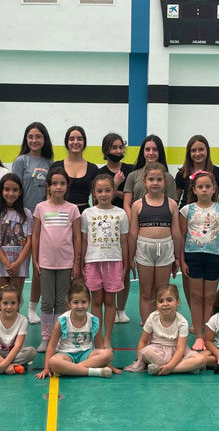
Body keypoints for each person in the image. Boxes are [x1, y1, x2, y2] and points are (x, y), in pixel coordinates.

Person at [179, 171, 219, 351]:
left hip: (213, 257)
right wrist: (182, 260)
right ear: (194, 189)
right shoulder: (187, 210)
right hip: (193, 256)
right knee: (196, 296)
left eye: (208, 186)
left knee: (209, 297)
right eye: (200, 187)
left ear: (214, 188)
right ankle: (199, 336)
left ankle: (208, 335)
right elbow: (182, 237)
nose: (204, 190)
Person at [32, 167, 81, 352]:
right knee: (47, 301)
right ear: (48, 186)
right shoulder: (40, 208)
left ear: (67, 186)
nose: (58, 187)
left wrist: (76, 262)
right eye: (54, 184)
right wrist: (35, 259)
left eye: (62, 183)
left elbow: (77, 237)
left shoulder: (72, 209)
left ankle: (57, 337)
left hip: (65, 262)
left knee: (61, 301)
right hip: (45, 262)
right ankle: (46, 338)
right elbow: (35, 235)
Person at [128, 162, 182, 324]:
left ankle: (161, 328)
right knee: (146, 292)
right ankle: (148, 329)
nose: (155, 183)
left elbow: (176, 232)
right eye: (151, 179)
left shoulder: (172, 204)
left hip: (165, 248)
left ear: (165, 181)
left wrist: (177, 257)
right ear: (144, 181)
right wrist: (130, 257)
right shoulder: (137, 205)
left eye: (159, 179)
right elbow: (133, 233)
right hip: (144, 248)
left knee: (162, 292)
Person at [12, 122, 54, 325]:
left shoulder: (50, 163)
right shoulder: (21, 161)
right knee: (20, 266)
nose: (34, 140)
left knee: (39, 266)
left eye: (38, 136)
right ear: (26, 139)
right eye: (30, 136)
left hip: (43, 219)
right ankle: (14, 307)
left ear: (44, 139)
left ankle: (31, 308)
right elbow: (14, 188)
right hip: (23, 218)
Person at [81, 174, 129, 349]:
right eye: (99, 191)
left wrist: (125, 263)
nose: (103, 194)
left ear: (114, 191)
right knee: (96, 301)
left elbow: (124, 241)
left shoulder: (121, 213)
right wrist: (81, 262)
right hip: (92, 261)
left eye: (107, 190)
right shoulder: (87, 213)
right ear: (94, 193)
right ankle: (97, 339)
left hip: (114, 261)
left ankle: (107, 338)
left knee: (110, 302)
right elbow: (84, 240)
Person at [35, 282, 115, 379]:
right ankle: (94, 372)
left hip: (86, 354)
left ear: (89, 302)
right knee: (53, 361)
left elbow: (100, 346)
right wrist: (46, 368)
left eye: (83, 302)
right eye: (76, 302)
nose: (80, 306)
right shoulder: (63, 320)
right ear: (69, 304)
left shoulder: (93, 320)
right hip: (66, 355)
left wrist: (106, 363)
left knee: (108, 353)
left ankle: (71, 369)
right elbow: (52, 346)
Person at [124, 284, 206, 375]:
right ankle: (183, 367)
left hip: (177, 353)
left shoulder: (182, 322)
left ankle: (164, 369)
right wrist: (138, 360)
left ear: (177, 302)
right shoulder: (152, 317)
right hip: (157, 351)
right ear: (156, 304)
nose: (165, 304)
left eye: (169, 300)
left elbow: (180, 349)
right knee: (146, 352)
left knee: (201, 359)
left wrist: (170, 366)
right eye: (161, 301)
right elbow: (143, 341)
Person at [97, 133, 134, 324]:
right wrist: (116, 186)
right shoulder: (100, 173)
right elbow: (97, 200)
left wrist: (119, 192)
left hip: (125, 223)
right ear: (106, 150)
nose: (118, 151)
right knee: (107, 268)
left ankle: (121, 309)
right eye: (114, 147)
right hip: (105, 227)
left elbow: (132, 196)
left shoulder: (130, 170)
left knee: (124, 265)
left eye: (120, 147)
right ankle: (107, 305)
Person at [0, 174, 33, 313]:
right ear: (1, 191)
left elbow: (29, 241)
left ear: (20, 192)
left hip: (19, 265)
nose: (11, 193)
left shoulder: (26, 214)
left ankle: (14, 328)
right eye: (7, 189)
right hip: (0, 265)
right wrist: (7, 263)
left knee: (14, 304)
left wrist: (17, 263)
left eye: (15, 190)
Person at [123, 135, 176, 218]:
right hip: (137, 221)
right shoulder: (132, 175)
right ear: (143, 152)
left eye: (155, 149)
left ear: (160, 152)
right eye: (147, 149)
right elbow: (127, 205)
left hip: (161, 221)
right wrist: (132, 222)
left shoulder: (168, 177)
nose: (151, 153)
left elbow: (172, 205)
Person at [51, 125, 99, 213]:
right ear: (67, 142)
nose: (75, 142)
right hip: (61, 213)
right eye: (72, 139)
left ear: (84, 142)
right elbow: (49, 194)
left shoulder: (93, 168)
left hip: (85, 213)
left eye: (79, 139)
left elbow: (96, 198)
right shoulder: (56, 166)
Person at [176, 135, 219, 209]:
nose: (197, 154)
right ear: (189, 153)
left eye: (201, 149)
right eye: (193, 150)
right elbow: (175, 202)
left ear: (207, 150)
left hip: (212, 214)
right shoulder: (182, 174)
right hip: (186, 215)